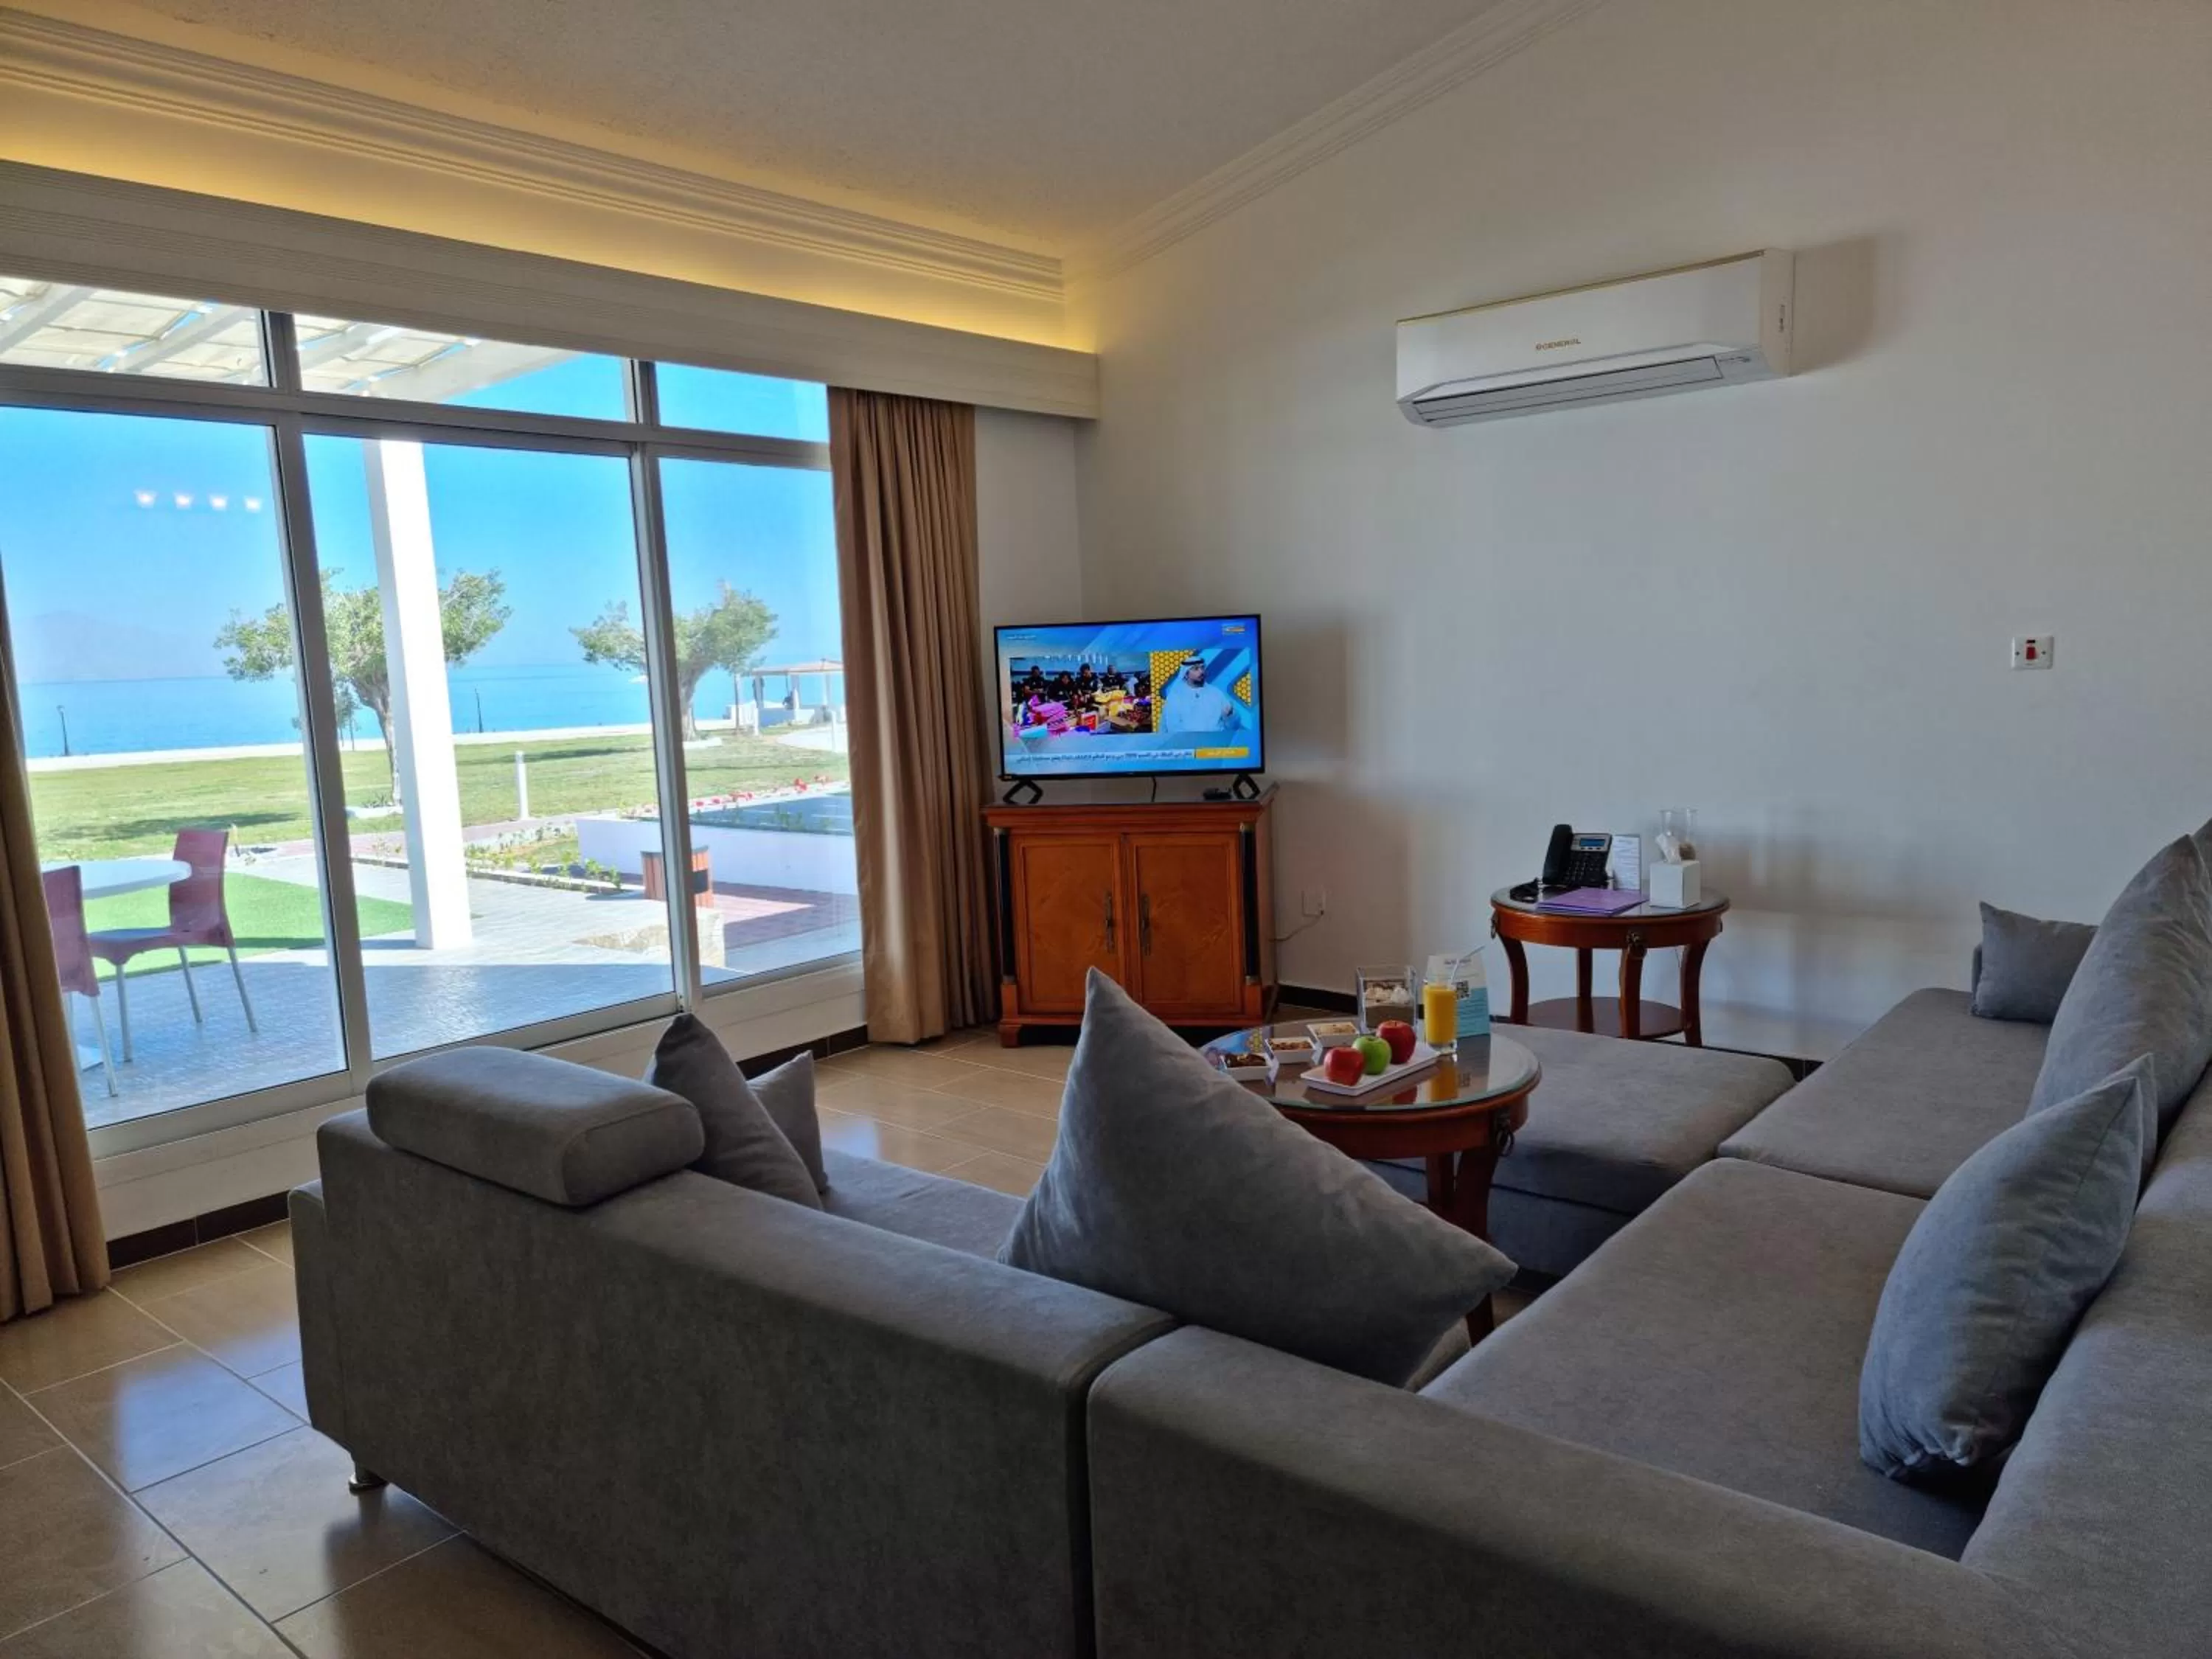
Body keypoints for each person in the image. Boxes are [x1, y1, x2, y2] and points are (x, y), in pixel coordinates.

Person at [1159, 655, 1240, 734]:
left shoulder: (1216, 693)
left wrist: (1230, 716)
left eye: (1202, 668)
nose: (1201, 672)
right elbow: (1170, 728)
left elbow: (1234, 726)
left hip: (1213, 744)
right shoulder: (1175, 696)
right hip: (1187, 744)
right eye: (1196, 669)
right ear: (1186, 674)